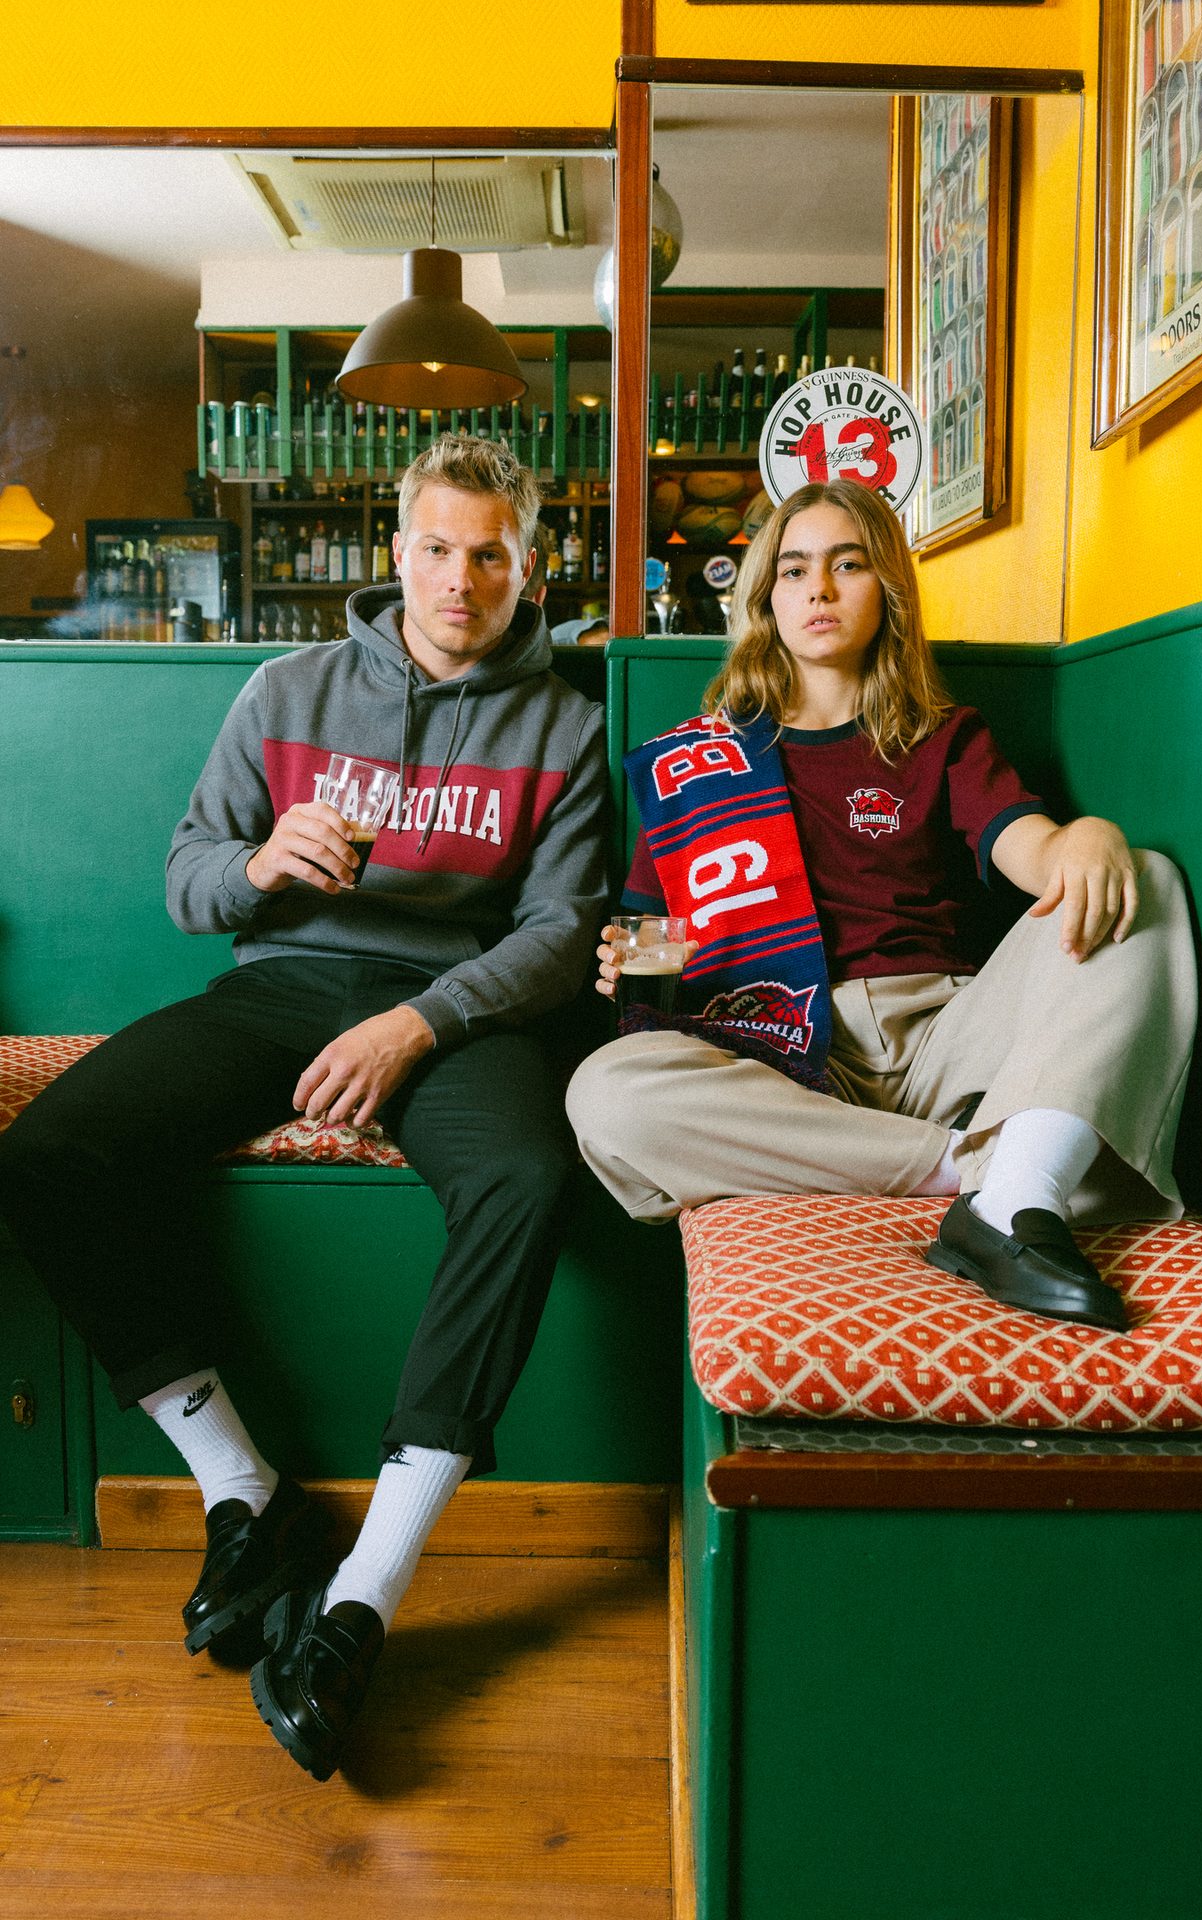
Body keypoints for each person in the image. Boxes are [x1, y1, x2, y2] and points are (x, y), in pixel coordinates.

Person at [0, 433, 608, 1781]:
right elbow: (187, 876)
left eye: (493, 554)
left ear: (528, 565)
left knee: (527, 1176)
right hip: (282, 986)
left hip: (462, 1013)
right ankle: (242, 1493)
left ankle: (362, 1598)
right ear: (399, 553)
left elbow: (564, 935)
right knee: (52, 1152)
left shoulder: (567, 721)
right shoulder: (287, 688)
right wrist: (262, 864)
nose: (464, 578)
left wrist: (414, 1024)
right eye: (440, 549)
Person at [567, 479, 1197, 1331]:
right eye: (793, 570)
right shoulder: (698, 765)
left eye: (847, 563)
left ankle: (1009, 1183)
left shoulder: (943, 736)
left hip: (948, 1039)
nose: (818, 589)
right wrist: (633, 965)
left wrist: (1081, 840)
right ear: (767, 599)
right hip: (781, 1063)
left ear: (887, 589)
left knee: (1143, 881)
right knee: (604, 1092)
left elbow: (1033, 853)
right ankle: (989, 1178)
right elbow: (661, 948)